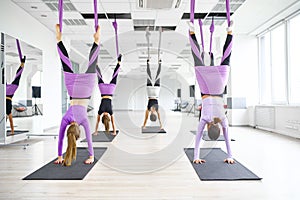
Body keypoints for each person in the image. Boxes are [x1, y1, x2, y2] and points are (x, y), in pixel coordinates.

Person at [188, 20, 234, 164]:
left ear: (219, 128)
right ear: (209, 127)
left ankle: (230, 32)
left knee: (227, 58)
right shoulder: (204, 119)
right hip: (206, 89)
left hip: (219, 86)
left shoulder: (223, 120)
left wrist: (230, 156)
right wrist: (196, 157)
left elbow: (227, 139)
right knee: (197, 59)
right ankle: (192, 32)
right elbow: (197, 139)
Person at [54, 24, 100, 166]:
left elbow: (90, 141)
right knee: (65, 63)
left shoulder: (84, 120)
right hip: (73, 90)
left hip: (86, 91)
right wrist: (59, 156)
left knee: (92, 63)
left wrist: (92, 156)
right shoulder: (65, 119)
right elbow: (61, 139)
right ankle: (59, 40)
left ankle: (96, 42)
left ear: (79, 131)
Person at [93, 54, 122, 136]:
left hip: (110, 91)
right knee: (99, 76)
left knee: (115, 76)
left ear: (108, 118)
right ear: (102, 117)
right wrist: (96, 131)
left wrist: (114, 131)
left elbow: (113, 123)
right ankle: (96, 64)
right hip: (103, 91)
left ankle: (119, 63)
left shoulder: (110, 111)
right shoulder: (100, 111)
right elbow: (97, 122)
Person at [6, 56, 26, 135]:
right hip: (9, 93)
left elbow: (10, 121)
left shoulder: (7, 112)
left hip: (8, 92)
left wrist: (13, 131)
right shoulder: (7, 112)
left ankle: (22, 64)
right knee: (18, 76)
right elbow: (10, 121)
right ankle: (22, 64)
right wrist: (12, 132)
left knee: (18, 76)